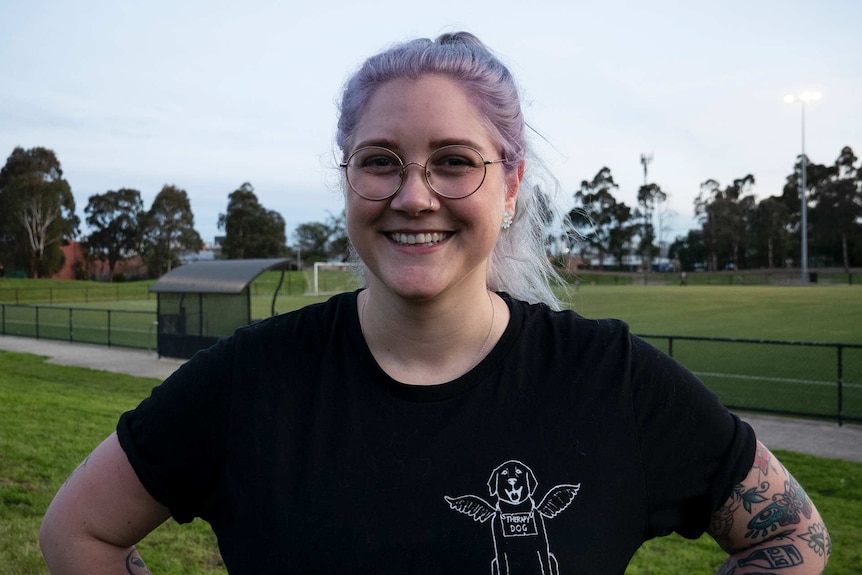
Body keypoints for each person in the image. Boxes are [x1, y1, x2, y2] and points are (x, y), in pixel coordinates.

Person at [40, 32, 830, 574]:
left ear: (512, 184)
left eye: (455, 162)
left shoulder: (610, 380)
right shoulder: (252, 378)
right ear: (347, 176)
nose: (415, 196)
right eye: (380, 161)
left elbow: (796, 530)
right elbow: (77, 529)